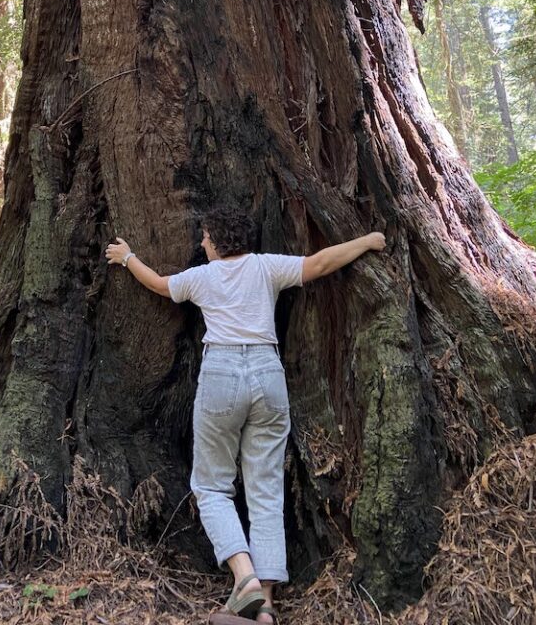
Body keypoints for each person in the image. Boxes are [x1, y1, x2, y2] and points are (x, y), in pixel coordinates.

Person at [105, 207, 385, 624]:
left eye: (204, 237)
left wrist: (127, 257)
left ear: (217, 240)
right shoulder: (266, 267)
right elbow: (321, 262)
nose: (201, 244)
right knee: (265, 489)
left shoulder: (203, 277)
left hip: (222, 375)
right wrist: (367, 241)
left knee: (212, 485)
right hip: (267, 375)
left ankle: (245, 580)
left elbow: (160, 286)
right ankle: (266, 609)